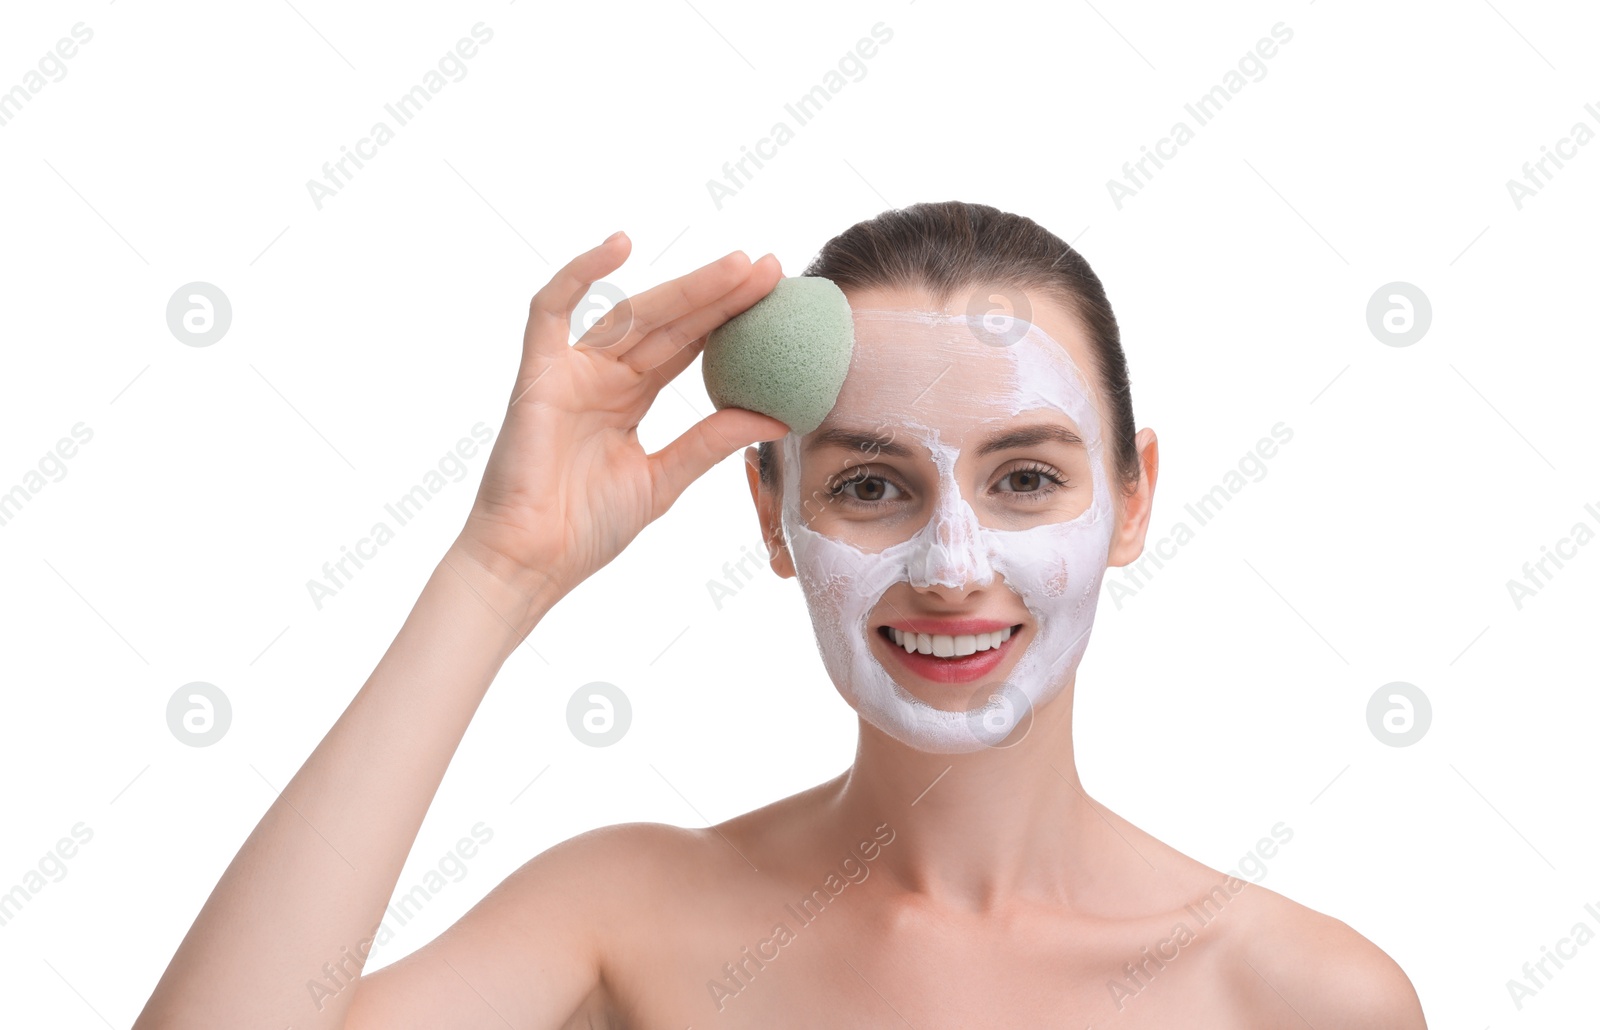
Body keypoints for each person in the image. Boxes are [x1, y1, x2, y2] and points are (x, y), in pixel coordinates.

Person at [135, 201, 1427, 1028]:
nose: (951, 559)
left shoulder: (1300, 995)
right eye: (871, 484)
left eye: (1026, 476)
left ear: (1134, 500)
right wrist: (496, 574)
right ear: (773, 514)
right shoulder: (625, 916)